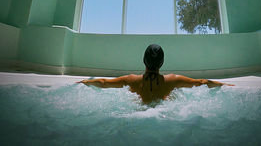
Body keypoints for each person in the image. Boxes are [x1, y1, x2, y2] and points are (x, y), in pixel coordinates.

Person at [77, 44, 234, 103]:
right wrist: (225, 85)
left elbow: (103, 83)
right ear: (162, 62)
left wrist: (86, 81)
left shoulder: (132, 80)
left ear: (143, 61)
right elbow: (202, 82)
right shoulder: (173, 80)